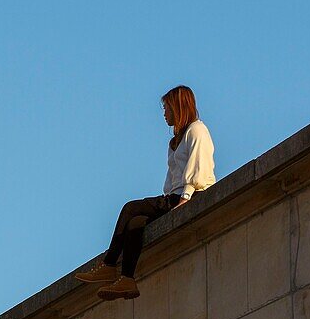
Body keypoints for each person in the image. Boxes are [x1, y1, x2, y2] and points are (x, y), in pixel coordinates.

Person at [76, 85, 215, 300]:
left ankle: (109, 263)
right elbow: (172, 177)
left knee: (130, 208)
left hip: (189, 194)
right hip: (173, 196)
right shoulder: (175, 140)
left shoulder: (197, 130)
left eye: (167, 108)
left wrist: (185, 197)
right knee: (135, 223)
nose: (164, 113)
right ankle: (127, 280)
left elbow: (198, 166)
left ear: (178, 107)